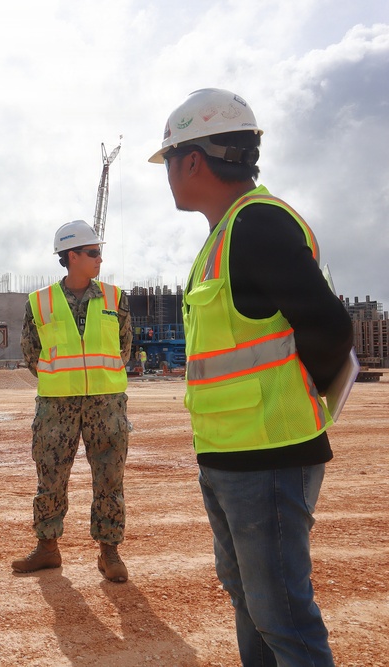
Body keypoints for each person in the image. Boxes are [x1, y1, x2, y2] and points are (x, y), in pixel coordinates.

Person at [150, 88, 353, 666]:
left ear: (192, 159)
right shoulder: (223, 235)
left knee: (282, 618)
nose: (167, 173)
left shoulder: (257, 225)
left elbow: (331, 329)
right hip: (231, 454)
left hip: (271, 452)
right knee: (253, 604)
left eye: (168, 160)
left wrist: (295, 400)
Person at [12, 219, 132, 582]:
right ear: (71, 256)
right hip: (56, 403)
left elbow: (125, 346)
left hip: (106, 401)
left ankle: (109, 553)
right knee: (50, 475)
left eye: (99, 252)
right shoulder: (40, 302)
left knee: (110, 477)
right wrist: (60, 379)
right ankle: (47, 549)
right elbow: (31, 352)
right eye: (93, 252)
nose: (99, 258)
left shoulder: (115, 297)